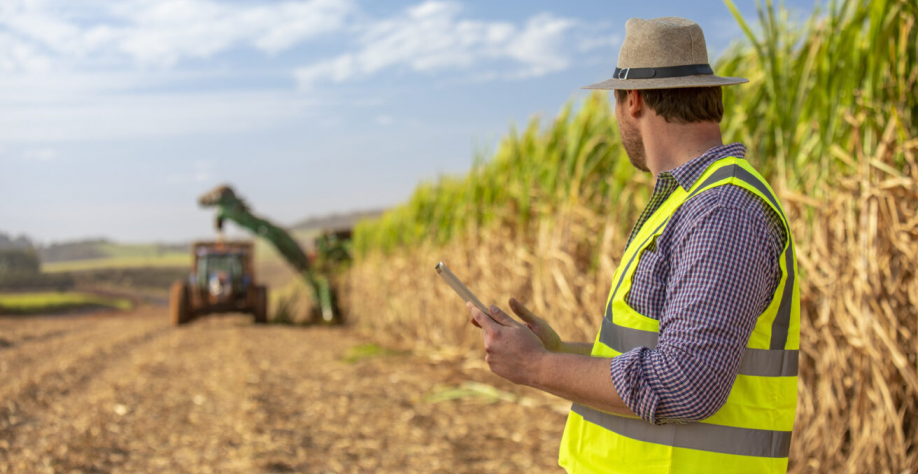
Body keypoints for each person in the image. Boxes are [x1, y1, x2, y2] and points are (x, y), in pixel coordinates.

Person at [466, 16, 800, 474]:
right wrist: (559, 352)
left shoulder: (722, 211)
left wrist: (536, 367)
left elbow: (687, 383)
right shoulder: (690, 202)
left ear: (634, 100)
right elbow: (665, 353)